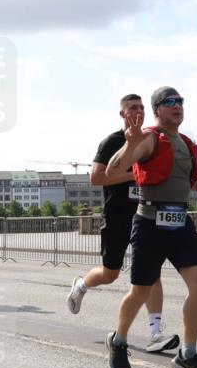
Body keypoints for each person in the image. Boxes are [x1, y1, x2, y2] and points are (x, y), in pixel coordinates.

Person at [104, 86, 197, 368]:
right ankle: (118, 340)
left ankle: (188, 355)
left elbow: (191, 180)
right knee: (140, 292)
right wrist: (130, 146)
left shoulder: (187, 144)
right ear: (157, 111)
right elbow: (115, 167)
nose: (177, 106)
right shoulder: (150, 138)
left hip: (180, 222)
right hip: (150, 223)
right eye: (169, 102)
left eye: (180, 101)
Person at [67, 94, 178, 354]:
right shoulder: (112, 142)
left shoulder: (152, 140)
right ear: (122, 114)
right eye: (132, 108)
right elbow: (96, 177)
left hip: (147, 216)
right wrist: (136, 173)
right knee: (110, 273)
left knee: (152, 275)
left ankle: (155, 333)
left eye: (141, 107)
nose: (137, 111)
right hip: (118, 217)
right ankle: (81, 285)